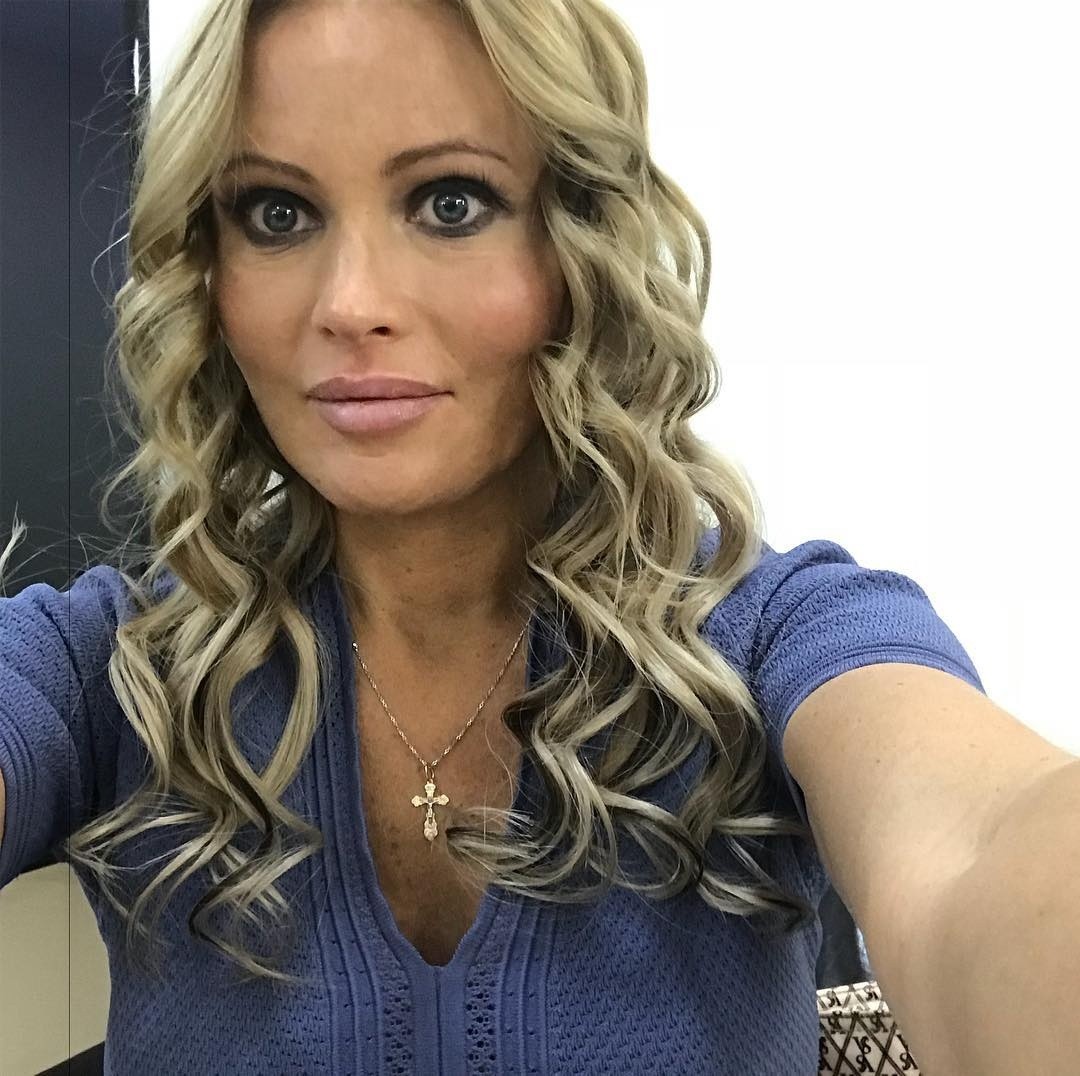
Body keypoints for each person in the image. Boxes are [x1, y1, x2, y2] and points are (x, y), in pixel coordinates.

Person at [0, 1, 990, 1072]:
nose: (352, 303)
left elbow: (979, 847)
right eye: (278, 214)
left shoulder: (776, 639)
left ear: (579, 247)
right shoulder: (110, 670)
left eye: (451, 202)